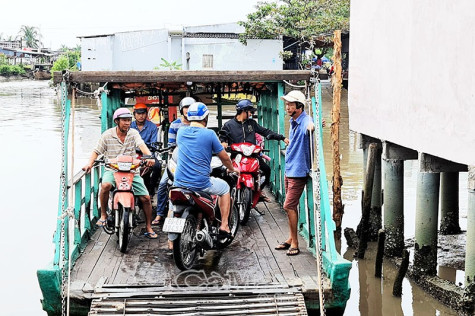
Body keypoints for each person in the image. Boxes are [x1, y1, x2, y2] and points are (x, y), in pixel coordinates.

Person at [83, 107, 158, 239]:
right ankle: (103, 215)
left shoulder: (133, 133)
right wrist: (90, 163)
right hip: (113, 170)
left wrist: (149, 157)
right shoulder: (107, 135)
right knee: (105, 186)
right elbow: (96, 151)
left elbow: (142, 146)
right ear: (117, 121)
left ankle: (148, 226)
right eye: (124, 120)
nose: (127, 123)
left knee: (146, 198)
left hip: (132, 171)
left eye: (129, 120)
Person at [174, 102, 240, 235]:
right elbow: (225, 158)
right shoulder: (209, 134)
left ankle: (171, 239)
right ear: (205, 118)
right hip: (201, 183)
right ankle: (224, 225)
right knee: (225, 188)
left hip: (179, 182)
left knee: (173, 203)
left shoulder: (180, 132)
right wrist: (232, 169)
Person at [219, 99, 289, 201]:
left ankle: (259, 189)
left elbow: (265, 131)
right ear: (244, 111)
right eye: (250, 111)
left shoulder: (251, 123)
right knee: (225, 173)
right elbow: (222, 136)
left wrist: (282, 138)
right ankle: (225, 195)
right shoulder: (228, 125)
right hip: (236, 156)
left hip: (252, 156)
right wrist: (223, 142)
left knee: (266, 170)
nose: (252, 114)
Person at [275, 90, 314, 256]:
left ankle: (296, 243)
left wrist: (315, 126)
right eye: (287, 104)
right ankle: (291, 238)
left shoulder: (305, 120)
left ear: (299, 106)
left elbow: (310, 126)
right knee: (290, 206)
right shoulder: (293, 121)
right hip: (290, 167)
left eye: (290, 104)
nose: (287, 106)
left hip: (298, 171)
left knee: (289, 205)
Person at [152, 96, 194, 225]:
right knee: (163, 184)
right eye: (185, 108)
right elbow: (171, 144)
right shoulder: (175, 124)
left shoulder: (197, 124)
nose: (187, 111)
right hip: (176, 161)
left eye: (190, 108)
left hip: (193, 161)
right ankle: (159, 214)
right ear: (181, 109)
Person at [130, 103, 161, 196]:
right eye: (138, 113)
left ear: (146, 114)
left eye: (143, 113)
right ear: (134, 114)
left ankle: (151, 189)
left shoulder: (152, 127)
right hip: (132, 154)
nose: (141, 116)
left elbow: (153, 144)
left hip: (147, 154)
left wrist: (148, 156)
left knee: (157, 167)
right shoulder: (129, 126)